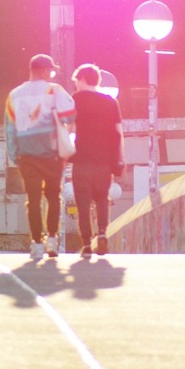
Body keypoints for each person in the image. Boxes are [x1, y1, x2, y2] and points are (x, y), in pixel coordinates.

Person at [5, 53, 75, 261]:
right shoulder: (54, 91)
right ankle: (52, 240)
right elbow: (69, 115)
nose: (51, 74)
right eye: (51, 70)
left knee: (33, 200)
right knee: (53, 197)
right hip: (52, 154)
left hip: (26, 155)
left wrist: (13, 153)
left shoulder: (14, 95)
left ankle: (36, 244)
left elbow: (10, 128)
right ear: (45, 71)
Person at [70, 63, 124, 259]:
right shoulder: (111, 101)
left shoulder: (75, 100)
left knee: (83, 204)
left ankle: (86, 243)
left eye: (77, 81)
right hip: (104, 162)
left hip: (82, 160)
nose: (76, 85)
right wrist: (118, 158)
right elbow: (118, 133)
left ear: (83, 79)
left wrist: (66, 150)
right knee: (102, 199)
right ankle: (102, 234)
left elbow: (69, 129)